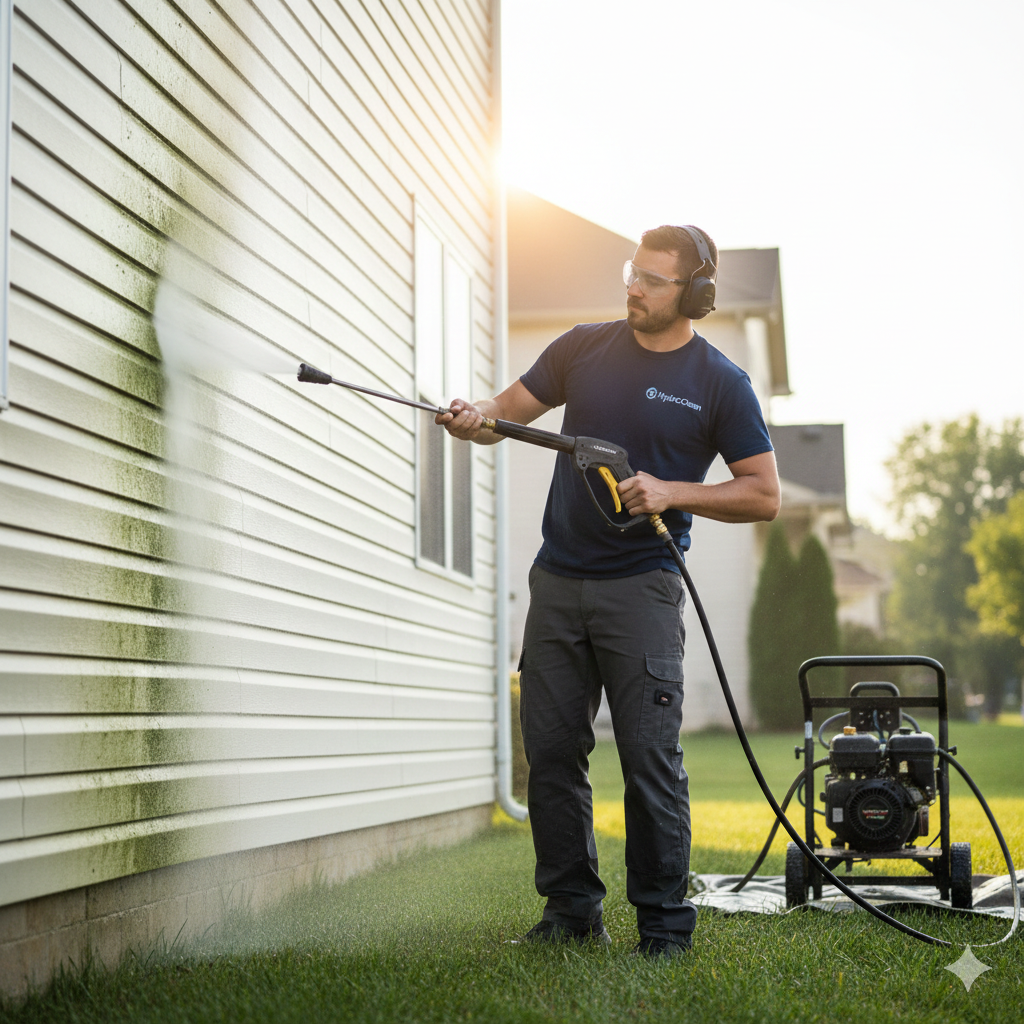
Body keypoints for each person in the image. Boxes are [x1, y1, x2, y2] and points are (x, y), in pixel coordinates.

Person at [437, 225, 781, 958]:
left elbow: (763, 494)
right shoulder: (581, 349)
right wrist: (473, 422)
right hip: (557, 581)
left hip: (643, 590)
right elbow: (505, 416)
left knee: (649, 757)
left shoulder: (719, 382)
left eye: (654, 280)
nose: (634, 288)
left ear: (694, 294)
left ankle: (662, 927)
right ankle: (570, 916)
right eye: (633, 273)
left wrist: (670, 491)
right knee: (554, 753)